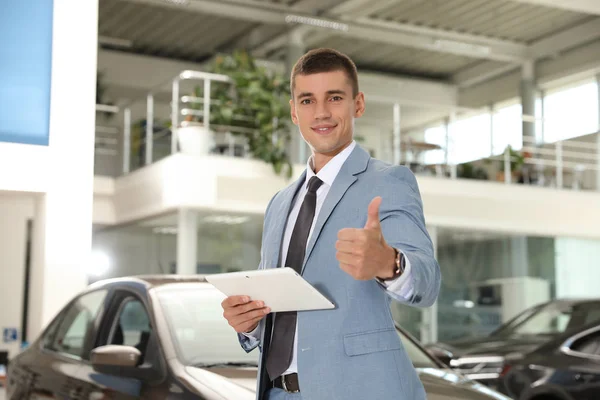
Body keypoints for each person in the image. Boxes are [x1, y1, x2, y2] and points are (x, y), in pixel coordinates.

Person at [221, 48, 441, 400]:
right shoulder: (280, 204)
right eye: (307, 100)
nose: (321, 112)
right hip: (277, 392)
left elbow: (427, 282)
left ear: (358, 104)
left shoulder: (388, 181)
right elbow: (281, 305)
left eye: (334, 98)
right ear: (294, 111)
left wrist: (389, 263)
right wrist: (249, 323)